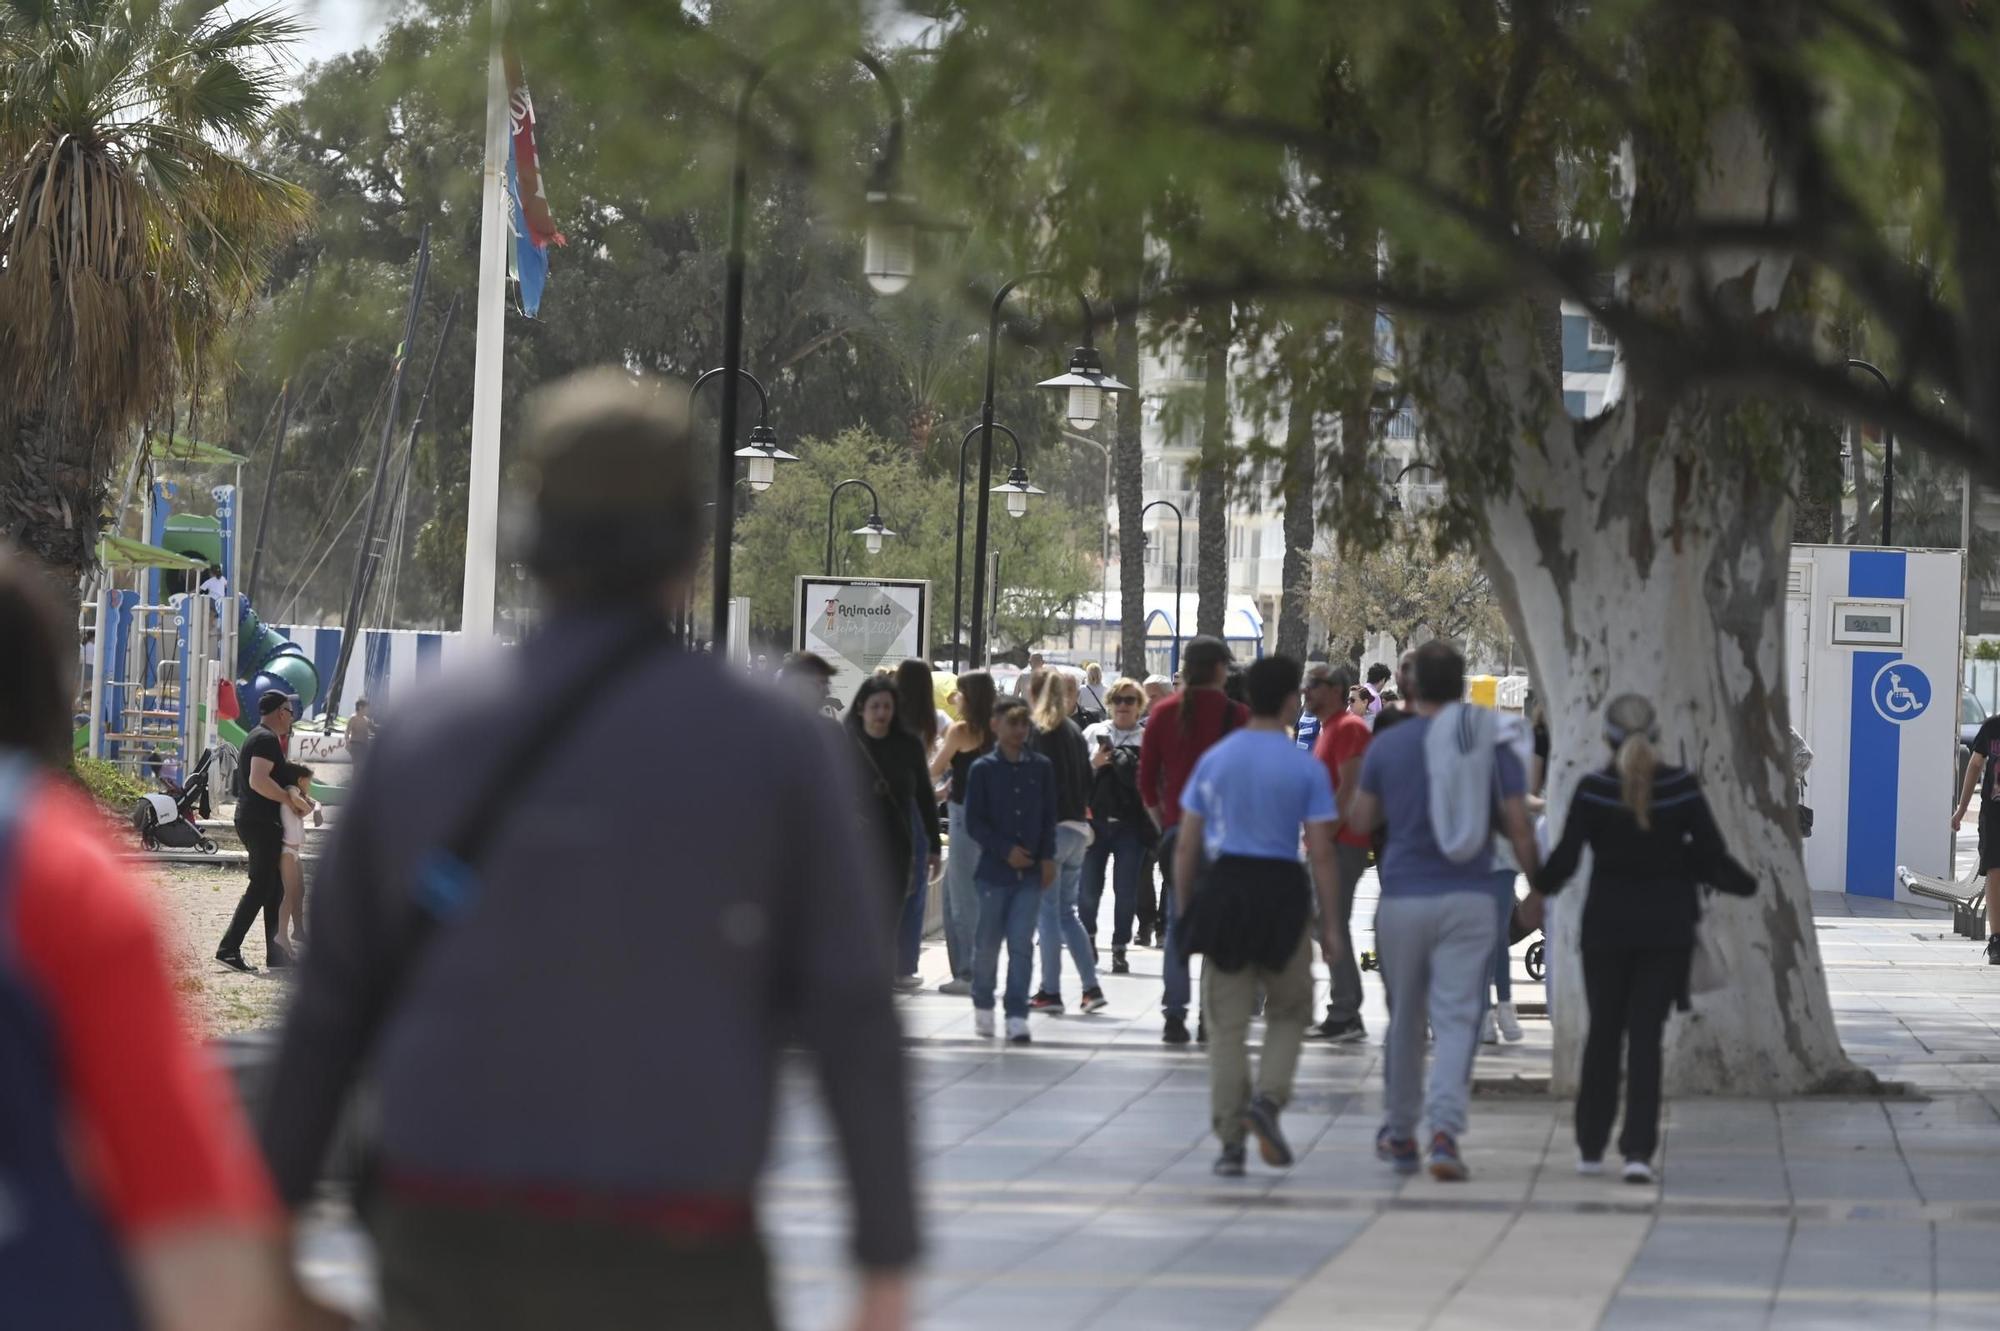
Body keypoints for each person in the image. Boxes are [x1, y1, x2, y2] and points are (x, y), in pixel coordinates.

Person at [255, 368, 915, 1330]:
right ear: (689, 544)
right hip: (680, 1236)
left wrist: (265, 1238)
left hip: (449, 1233)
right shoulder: (774, 743)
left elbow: (329, 1010)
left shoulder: (425, 733)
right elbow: (854, 1011)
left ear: (530, 540)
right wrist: (883, 1264)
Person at [0, 545, 330, 1331]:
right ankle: (252, 948)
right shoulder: (57, 878)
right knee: (261, 891)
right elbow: (187, 1222)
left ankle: (254, 946)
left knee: (260, 894)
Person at [1341, 641, 1541, 1182]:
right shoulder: (1490, 743)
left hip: (1405, 897)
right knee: (1458, 1019)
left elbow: (1360, 819)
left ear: (1409, 687)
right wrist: (1541, 887)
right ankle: (1446, 1132)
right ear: (1461, 687)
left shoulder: (1390, 744)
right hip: (1472, 898)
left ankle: (1400, 1133)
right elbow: (1518, 825)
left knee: (1406, 1017)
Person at [1535, 694, 1756, 1183]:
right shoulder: (1680, 787)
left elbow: (1567, 860)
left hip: (1605, 930)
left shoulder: (1594, 789)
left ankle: (1590, 1147)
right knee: (1646, 1039)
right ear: (1656, 735)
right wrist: (1744, 882)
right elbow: (1710, 855)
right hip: (1666, 931)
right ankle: (1637, 1152)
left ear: (1606, 739)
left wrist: (1536, 883)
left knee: (1604, 1035)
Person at [1174, 656, 1349, 1176]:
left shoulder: (1218, 759)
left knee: (1226, 1024)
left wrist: (1186, 913)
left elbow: (1187, 845)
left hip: (1227, 887)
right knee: (1290, 1008)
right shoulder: (1306, 766)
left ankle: (1230, 1143)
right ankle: (1267, 1102)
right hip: (1281, 891)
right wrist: (1330, 925)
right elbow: (1320, 853)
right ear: (1291, 698)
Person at [1139, 636, 1249, 1045]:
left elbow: (1147, 781)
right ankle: (1209, 1014)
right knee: (1222, 929)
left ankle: (1174, 1013)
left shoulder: (1164, 713)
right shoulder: (1237, 716)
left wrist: (1165, 824)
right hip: (1225, 838)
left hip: (1177, 834)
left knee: (1178, 922)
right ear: (1221, 668)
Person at [963, 695, 1058, 1044]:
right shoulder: (983, 769)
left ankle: (1017, 1012)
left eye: (1024, 723)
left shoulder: (1041, 767)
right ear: (995, 725)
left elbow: (1049, 816)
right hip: (993, 873)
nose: (1019, 730)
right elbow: (974, 822)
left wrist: (1047, 858)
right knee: (987, 944)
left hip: (1031, 874)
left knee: (1021, 944)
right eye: (1012, 723)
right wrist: (1004, 850)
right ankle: (983, 1004)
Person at [846, 676, 942, 993]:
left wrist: (932, 845)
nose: (881, 713)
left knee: (889, 911)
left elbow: (925, 797)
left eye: (887, 706)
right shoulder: (846, 742)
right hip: (855, 841)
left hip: (897, 841)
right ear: (861, 708)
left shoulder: (908, 744)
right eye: (875, 706)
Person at [215, 689, 312, 973]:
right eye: (290, 712)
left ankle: (277, 953)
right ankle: (228, 949)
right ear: (282, 711)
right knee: (261, 886)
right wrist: (287, 797)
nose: (291, 718)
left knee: (274, 888)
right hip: (260, 822)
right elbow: (258, 781)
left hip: (259, 821)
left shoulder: (262, 737)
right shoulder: (265, 739)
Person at [1027, 672, 1107, 1016]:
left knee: (1047, 915)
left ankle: (1050, 990)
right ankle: (1091, 987)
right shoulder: (1074, 732)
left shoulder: (1041, 731)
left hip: (1053, 831)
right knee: (1066, 913)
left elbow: (1039, 784)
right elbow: (1087, 778)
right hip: (1077, 828)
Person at [1304, 664, 1371, 1043]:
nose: (1306, 692)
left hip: (1341, 846)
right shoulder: (1328, 730)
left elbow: (1350, 788)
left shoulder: (1349, 729)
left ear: (1335, 690)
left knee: (1327, 921)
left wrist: (1326, 836)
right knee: (1325, 921)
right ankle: (1345, 1008)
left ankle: (1346, 1011)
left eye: (1313, 686)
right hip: (1328, 844)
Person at [931, 670, 998, 995]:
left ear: (968, 696)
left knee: (961, 897)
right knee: (964, 894)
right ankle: (970, 968)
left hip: (963, 816)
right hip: (991, 816)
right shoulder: (998, 728)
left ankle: (970, 974)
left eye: (958, 693)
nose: (953, 699)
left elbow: (935, 767)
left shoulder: (960, 730)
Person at [1082, 678, 1153, 967]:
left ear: (1139, 706)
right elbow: (1074, 776)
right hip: (1094, 824)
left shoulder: (1147, 738)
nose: (1123, 706)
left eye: (1130, 700)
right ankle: (1086, 939)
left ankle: (1119, 947)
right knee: (1087, 890)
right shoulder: (1093, 733)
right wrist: (1094, 764)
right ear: (1110, 703)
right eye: (1119, 700)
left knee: (1125, 890)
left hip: (1131, 826)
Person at [891, 659, 948, 988]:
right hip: (918, 800)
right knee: (914, 890)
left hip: (886, 804)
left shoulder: (888, 714)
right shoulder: (934, 719)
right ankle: (904, 967)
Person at [1951, 710, 2000, 964]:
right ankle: (1997, 939)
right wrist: (1961, 809)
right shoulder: (1992, 727)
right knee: (1994, 870)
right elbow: (1974, 765)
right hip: (1994, 814)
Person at [270, 763, 322, 964]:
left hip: (295, 851)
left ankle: (298, 930)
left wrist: (314, 808)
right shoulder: (291, 790)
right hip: (286, 851)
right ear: (301, 780)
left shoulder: (299, 793)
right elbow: (301, 803)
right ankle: (281, 934)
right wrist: (311, 808)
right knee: (290, 894)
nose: (311, 785)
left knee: (299, 891)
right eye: (310, 781)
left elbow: (313, 804)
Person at [779, 651, 839, 716]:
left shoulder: (827, 723)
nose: (828, 692)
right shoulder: (772, 722)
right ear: (797, 684)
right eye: (822, 683)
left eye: (827, 684)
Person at [1077, 661, 1108, 726]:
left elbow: (1077, 706)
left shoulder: (1081, 689)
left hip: (1085, 721)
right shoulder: (1106, 689)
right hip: (1100, 721)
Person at [346, 698, 375, 767]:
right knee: (357, 766)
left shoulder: (366, 719)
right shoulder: (353, 718)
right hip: (355, 745)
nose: (368, 710)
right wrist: (347, 743)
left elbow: (372, 729)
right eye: (366, 708)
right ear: (360, 707)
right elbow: (347, 732)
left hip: (364, 746)